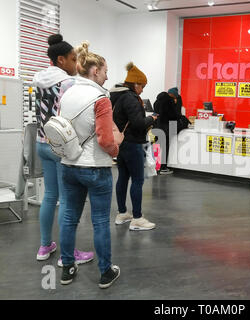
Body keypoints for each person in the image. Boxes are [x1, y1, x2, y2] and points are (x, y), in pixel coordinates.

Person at [59, 42, 120, 288]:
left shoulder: (67, 94)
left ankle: (67, 268)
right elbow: (106, 140)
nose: (107, 76)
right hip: (95, 167)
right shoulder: (101, 98)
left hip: (68, 165)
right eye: (105, 71)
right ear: (94, 71)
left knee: (68, 218)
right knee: (101, 221)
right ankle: (105, 272)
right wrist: (118, 148)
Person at [33, 34, 94, 266]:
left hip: (41, 143)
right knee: (68, 200)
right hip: (61, 146)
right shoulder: (68, 83)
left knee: (50, 196)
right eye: (72, 58)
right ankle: (69, 255)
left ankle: (44, 245)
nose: (75, 63)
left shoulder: (37, 80)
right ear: (60, 60)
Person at [110, 63, 157, 230]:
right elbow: (138, 124)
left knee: (122, 177)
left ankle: (122, 213)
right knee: (137, 180)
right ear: (135, 83)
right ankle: (137, 218)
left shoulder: (115, 95)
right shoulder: (130, 98)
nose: (143, 90)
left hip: (121, 144)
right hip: (133, 144)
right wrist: (152, 119)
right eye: (142, 86)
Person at [153, 90, 179, 174]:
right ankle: (163, 167)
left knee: (157, 146)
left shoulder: (157, 101)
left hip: (157, 126)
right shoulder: (170, 101)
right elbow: (174, 115)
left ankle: (156, 167)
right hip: (166, 127)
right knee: (165, 147)